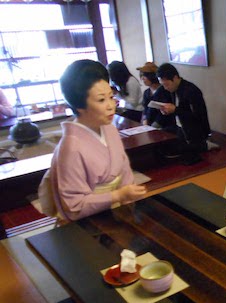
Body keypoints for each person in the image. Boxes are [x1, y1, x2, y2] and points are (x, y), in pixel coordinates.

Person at [39, 59, 146, 221]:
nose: (111, 105)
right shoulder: (71, 148)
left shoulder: (108, 128)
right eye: (102, 100)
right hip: (88, 220)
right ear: (79, 104)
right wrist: (117, 195)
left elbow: (123, 167)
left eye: (111, 97)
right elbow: (74, 205)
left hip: (117, 209)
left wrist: (127, 194)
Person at [156, 63, 211, 164]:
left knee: (185, 159)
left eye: (166, 84)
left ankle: (205, 145)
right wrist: (167, 110)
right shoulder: (173, 89)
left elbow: (198, 117)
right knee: (160, 141)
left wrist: (175, 110)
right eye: (163, 85)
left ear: (175, 77)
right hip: (180, 128)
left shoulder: (192, 90)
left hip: (194, 131)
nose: (165, 88)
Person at [136, 61, 172, 128]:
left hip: (163, 126)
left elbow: (163, 115)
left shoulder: (164, 91)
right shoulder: (146, 92)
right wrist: (144, 120)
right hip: (149, 125)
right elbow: (145, 109)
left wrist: (153, 127)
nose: (142, 79)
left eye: (144, 77)